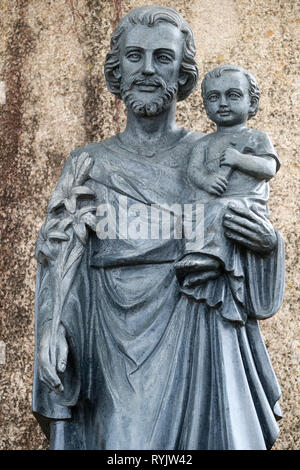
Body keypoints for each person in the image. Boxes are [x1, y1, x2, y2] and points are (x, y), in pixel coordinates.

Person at [33, 6, 285, 450]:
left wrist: (267, 247)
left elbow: (250, 223)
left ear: (184, 74)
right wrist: (53, 330)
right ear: (117, 69)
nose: (147, 69)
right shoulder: (89, 164)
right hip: (108, 343)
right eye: (134, 56)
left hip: (199, 328)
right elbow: (59, 255)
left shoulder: (209, 151)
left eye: (163, 58)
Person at [176, 65, 280, 296]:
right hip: (214, 202)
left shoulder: (256, 137)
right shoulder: (203, 144)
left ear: (251, 103)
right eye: (214, 97)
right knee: (196, 210)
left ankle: (209, 259)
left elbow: (268, 168)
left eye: (233, 95)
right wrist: (207, 181)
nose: (223, 103)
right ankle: (204, 263)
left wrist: (240, 159)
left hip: (245, 204)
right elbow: (194, 171)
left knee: (221, 208)